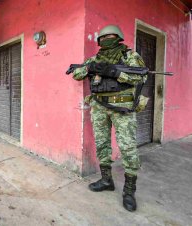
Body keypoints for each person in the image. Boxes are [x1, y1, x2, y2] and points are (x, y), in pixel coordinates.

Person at [70, 25, 147, 212]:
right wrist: (90, 67)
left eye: (110, 36)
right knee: (102, 144)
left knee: (128, 147)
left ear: (118, 37)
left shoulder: (130, 56)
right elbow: (76, 74)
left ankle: (129, 191)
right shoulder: (95, 58)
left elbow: (142, 78)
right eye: (102, 37)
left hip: (123, 108)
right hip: (99, 108)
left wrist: (117, 73)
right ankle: (106, 180)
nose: (106, 39)